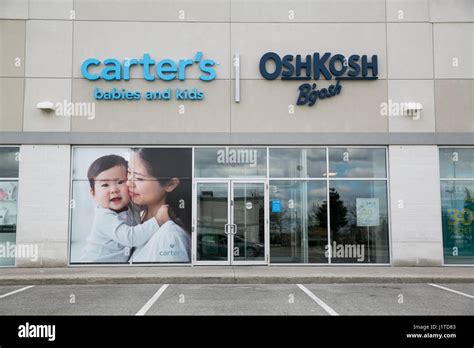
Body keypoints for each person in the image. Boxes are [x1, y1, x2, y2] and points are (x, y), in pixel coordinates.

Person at [80, 154, 169, 263]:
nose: (114, 190)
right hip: (94, 265)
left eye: (120, 182)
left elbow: (148, 202)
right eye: (105, 185)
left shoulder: (131, 206)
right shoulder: (104, 217)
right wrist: (158, 221)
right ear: (93, 193)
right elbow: (131, 238)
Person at [127, 148, 191, 263]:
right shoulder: (136, 215)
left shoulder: (170, 237)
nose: (128, 183)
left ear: (170, 184)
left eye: (139, 178)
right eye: (129, 172)